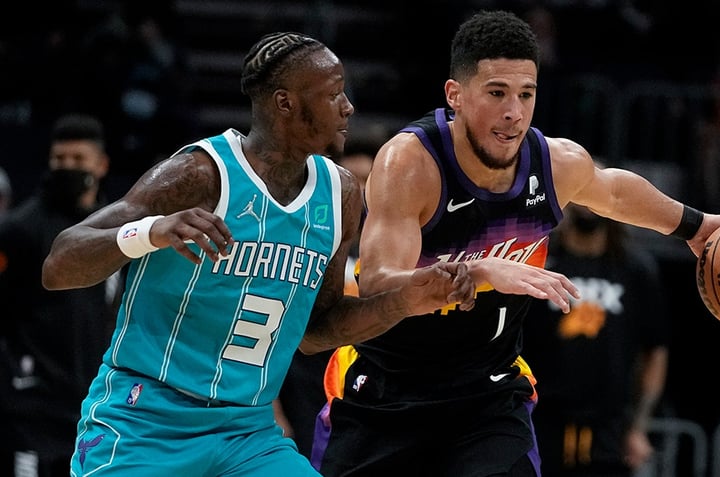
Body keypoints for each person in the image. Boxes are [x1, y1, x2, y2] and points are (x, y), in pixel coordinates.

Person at [311, 10, 720, 477]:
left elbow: (614, 192)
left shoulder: (554, 162)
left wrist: (697, 228)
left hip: (487, 395)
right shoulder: (411, 163)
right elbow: (376, 283)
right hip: (387, 390)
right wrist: (477, 272)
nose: (514, 112)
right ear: (455, 95)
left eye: (526, 94)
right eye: (497, 93)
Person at [40, 31, 476, 477]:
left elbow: (317, 330)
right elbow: (58, 264)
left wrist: (405, 302)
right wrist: (152, 230)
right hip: (145, 419)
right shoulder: (200, 173)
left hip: (245, 432)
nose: (348, 106)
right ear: (284, 103)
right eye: (332, 94)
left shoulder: (339, 193)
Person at [0, 113, 115, 477]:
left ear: (101, 165)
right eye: (59, 160)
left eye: (77, 160)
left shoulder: (116, 228)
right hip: (31, 403)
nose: (67, 167)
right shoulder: (18, 230)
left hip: (94, 402)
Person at [522, 203, 670, 477]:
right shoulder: (539, 264)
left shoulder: (635, 269)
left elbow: (655, 351)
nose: (587, 204)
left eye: (594, 194)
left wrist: (638, 426)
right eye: (580, 193)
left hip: (610, 429)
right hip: (542, 422)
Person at [274, 138, 377, 457]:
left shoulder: (392, 247)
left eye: (369, 179)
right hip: (305, 380)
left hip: (366, 379)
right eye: (354, 178)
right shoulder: (308, 238)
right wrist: (274, 411)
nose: (361, 189)